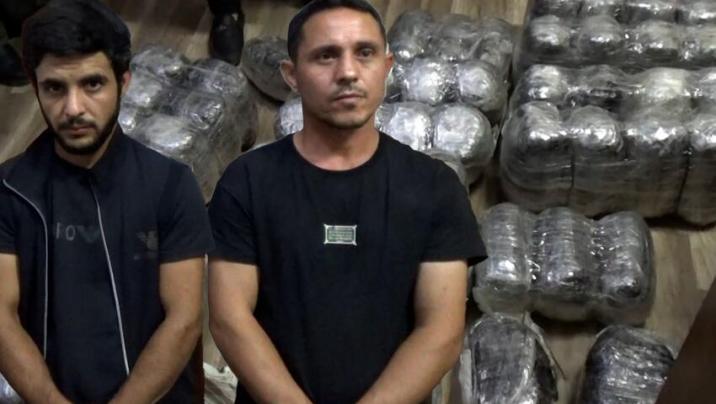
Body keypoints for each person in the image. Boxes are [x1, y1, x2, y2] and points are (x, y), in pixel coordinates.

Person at [207, 0, 486, 402]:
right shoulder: (247, 181)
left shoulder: (435, 186)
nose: (348, 72)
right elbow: (231, 320)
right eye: (326, 56)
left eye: (365, 53)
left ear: (386, 68)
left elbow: (440, 332)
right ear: (292, 76)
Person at [0, 0, 213, 402]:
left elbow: (183, 320)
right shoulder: (9, 190)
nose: (73, 108)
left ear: (124, 81)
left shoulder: (171, 184)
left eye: (92, 84)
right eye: (55, 88)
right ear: (34, 84)